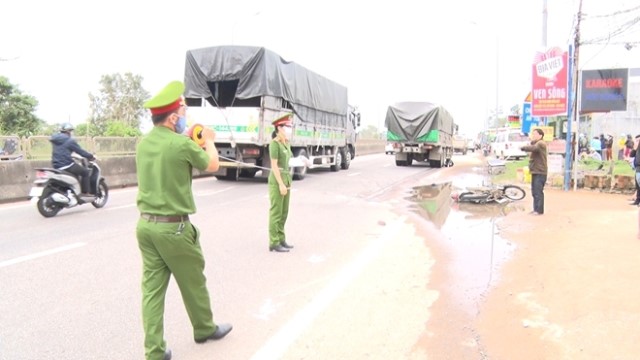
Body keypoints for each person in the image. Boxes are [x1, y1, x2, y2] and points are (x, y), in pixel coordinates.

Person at [135, 81, 232, 360]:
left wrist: (188, 138)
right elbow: (212, 164)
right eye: (184, 111)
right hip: (173, 229)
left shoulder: (144, 145)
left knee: (152, 291)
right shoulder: (180, 144)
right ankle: (204, 328)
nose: (186, 116)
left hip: (146, 227)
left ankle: (154, 351)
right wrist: (209, 140)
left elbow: (172, 154)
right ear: (174, 118)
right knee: (194, 281)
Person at [268, 113, 295, 253]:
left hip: (286, 179)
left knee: (284, 212)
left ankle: (281, 239)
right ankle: (274, 242)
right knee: (276, 212)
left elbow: (288, 162)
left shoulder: (286, 143)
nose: (289, 129)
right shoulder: (274, 144)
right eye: (287, 127)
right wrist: (280, 184)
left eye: (290, 126)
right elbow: (274, 166)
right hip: (277, 181)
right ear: (279, 128)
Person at [50, 123, 96, 195]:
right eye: (70, 131)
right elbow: (80, 151)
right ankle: (85, 192)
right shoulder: (69, 141)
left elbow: (62, 151)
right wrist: (91, 157)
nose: (71, 133)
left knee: (76, 172)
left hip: (56, 165)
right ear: (68, 131)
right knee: (85, 172)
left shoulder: (55, 140)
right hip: (67, 165)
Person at [521, 128, 548, 215]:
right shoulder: (537, 143)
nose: (533, 136)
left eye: (535, 134)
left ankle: (539, 210)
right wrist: (532, 140)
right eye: (533, 134)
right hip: (535, 171)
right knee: (534, 191)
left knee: (538, 192)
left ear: (540, 136)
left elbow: (533, 148)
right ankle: (535, 209)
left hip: (540, 171)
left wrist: (523, 148)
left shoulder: (541, 143)